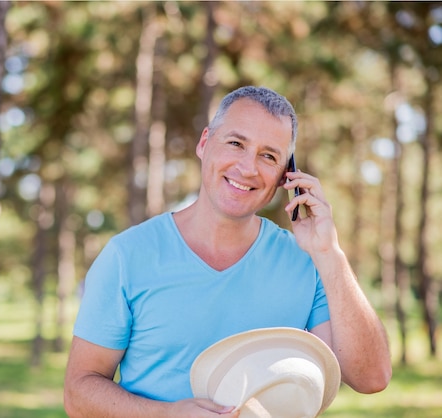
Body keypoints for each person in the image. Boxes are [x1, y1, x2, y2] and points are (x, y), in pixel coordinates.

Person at [63, 86, 392, 418]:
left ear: (285, 176)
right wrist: (168, 414)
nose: (248, 167)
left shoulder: (308, 262)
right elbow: (79, 393)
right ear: (205, 143)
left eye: (269, 156)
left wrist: (330, 253)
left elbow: (371, 378)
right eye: (236, 143)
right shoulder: (127, 256)